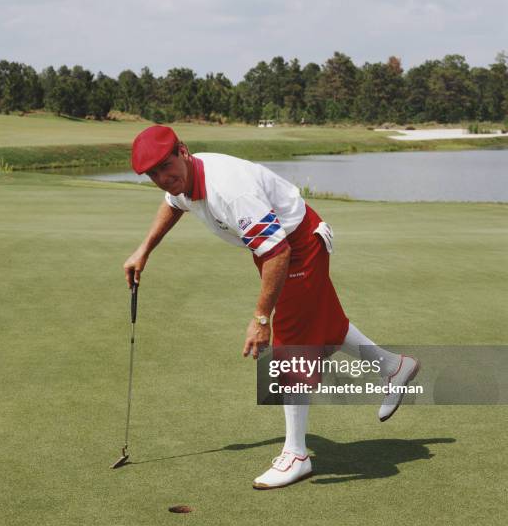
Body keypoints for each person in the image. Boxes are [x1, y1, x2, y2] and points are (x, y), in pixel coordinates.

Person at [123, 125, 419, 490]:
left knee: (290, 346)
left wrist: (261, 319)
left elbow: (278, 252)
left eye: (165, 168)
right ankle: (393, 366)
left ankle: (296, 454)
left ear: (183, 151)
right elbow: (174, 203)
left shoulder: (229, 189)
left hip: (295, 248)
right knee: (324, 326)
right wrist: (144, 250)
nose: (162, 179)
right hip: (278, 246)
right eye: (152, 175)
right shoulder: (183, 181)